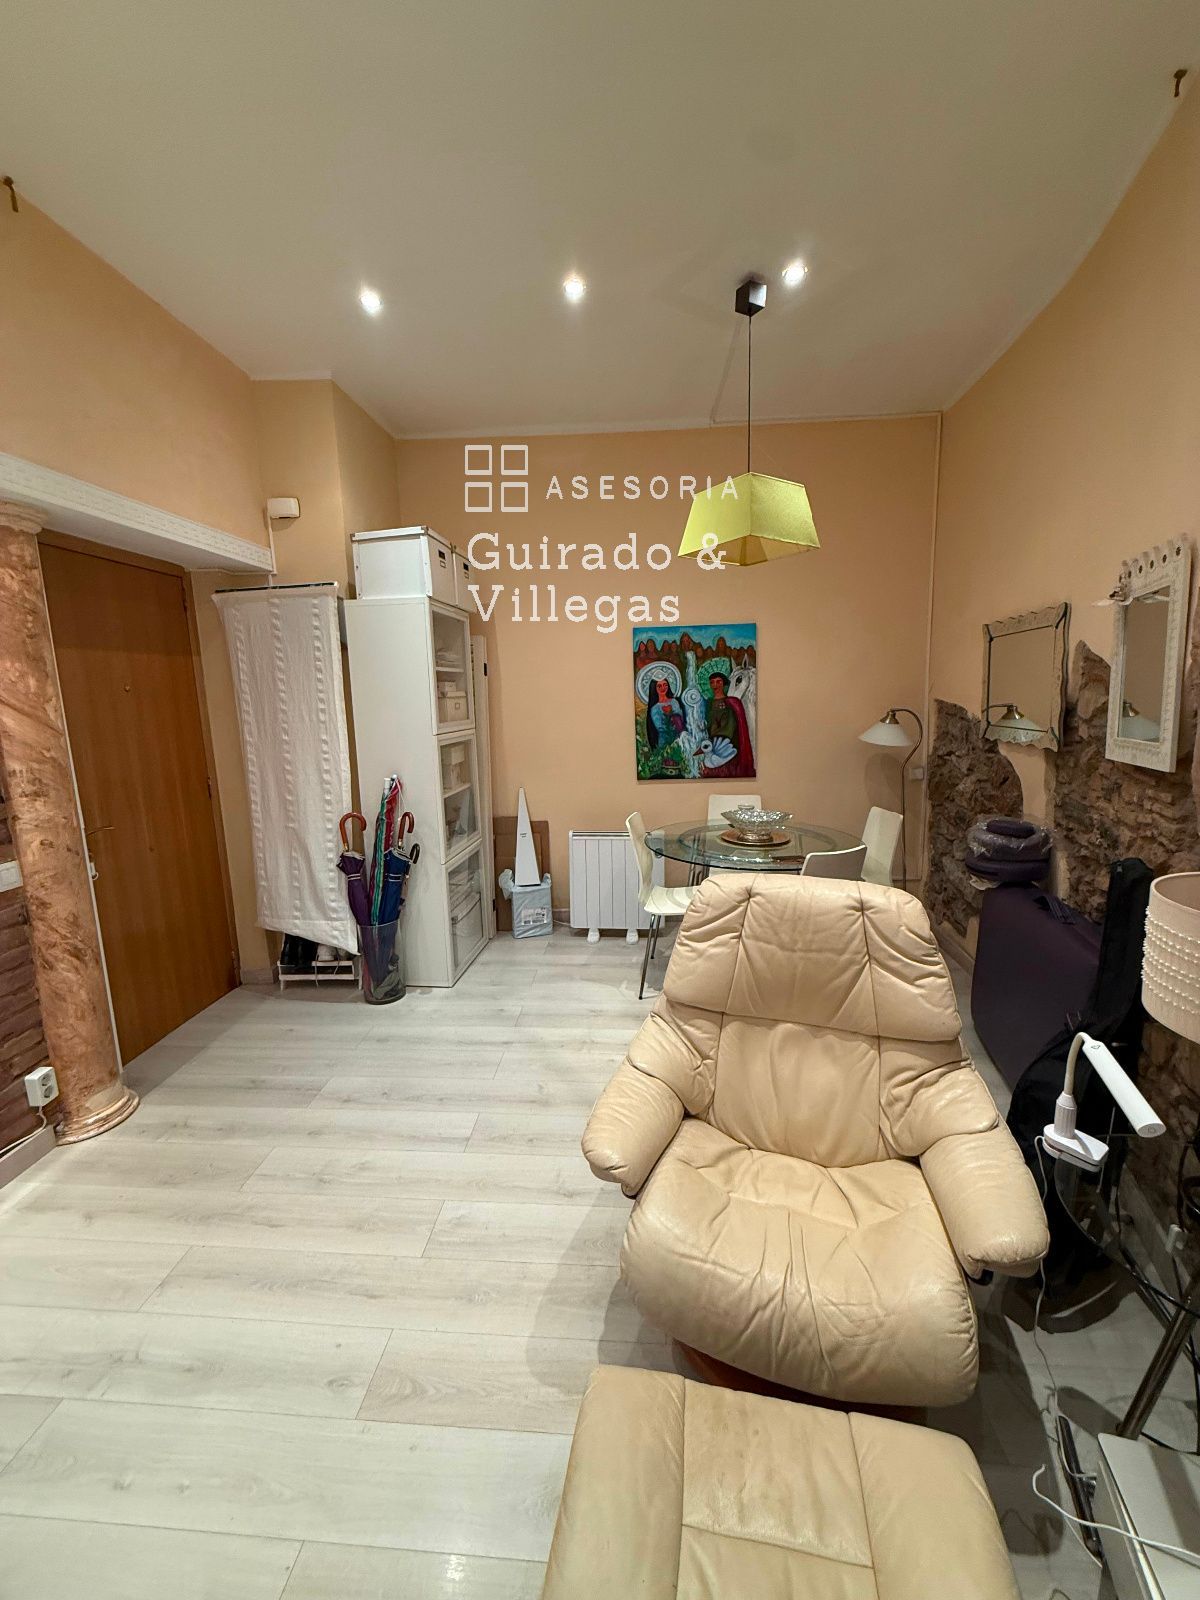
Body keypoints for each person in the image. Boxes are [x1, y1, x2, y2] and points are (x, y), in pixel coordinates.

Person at [705, 671, 754, 777]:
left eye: (718, 682)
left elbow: (732, 725)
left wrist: (718, 735)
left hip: (727, 745)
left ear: (724, 684)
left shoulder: (731, 702)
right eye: (712, 682)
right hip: (710, 743)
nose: (715, 685)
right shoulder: (708, 703)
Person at [646, 677, 685, 751]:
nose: (663, 688)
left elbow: (681, 719)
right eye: (659, 686)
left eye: (665, 685)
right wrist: (670, 718)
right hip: (665, 742)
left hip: (679, 738)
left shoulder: (674, 702)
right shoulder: (655, 708)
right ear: (654, 688)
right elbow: (660, 727)